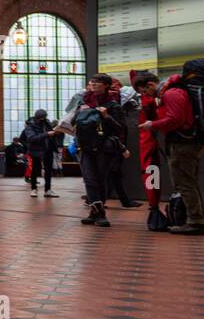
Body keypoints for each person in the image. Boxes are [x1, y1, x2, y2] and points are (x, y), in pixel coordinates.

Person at [142, 60, 204, 234]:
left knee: (184, 183)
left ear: (151, 84)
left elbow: (175, 119)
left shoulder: (171, 93)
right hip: (189, 142)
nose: (146, 95)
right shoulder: (178, 90)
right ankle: (195, 217)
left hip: (182, 144)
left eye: (145, 91)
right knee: (189, 181)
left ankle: (195, 221)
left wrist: (152, 125)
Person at [57, 74, 128, 228]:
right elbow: (74, 122)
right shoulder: (83, 102)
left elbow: (120, 128)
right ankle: (98, 212)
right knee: (90, 179)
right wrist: (77, 115)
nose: (93, 84)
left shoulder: (113, 105)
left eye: (98, 82)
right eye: (92, 82)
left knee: (100, 180)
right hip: (84, 146)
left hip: (103, 148)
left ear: (106, 85)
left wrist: (106, 116)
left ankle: (96, 212)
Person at [131, 73, 165, 225]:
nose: (144, 95)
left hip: (154, 142)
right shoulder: (156, 98)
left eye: (144, 92)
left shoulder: (157, 99)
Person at [18, 109, 60, 198]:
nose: (44, 119)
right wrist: (47, 134)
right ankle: (34, 189)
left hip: (48, 150)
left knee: (48, 171)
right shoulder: (30, 126)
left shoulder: (47, 122)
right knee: (35, 170)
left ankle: (48, 190)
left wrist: (55, 133)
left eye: (45, 117)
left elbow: (49, 134)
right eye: (42, 118)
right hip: (36, 151)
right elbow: (32, 138)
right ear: (38, 118)